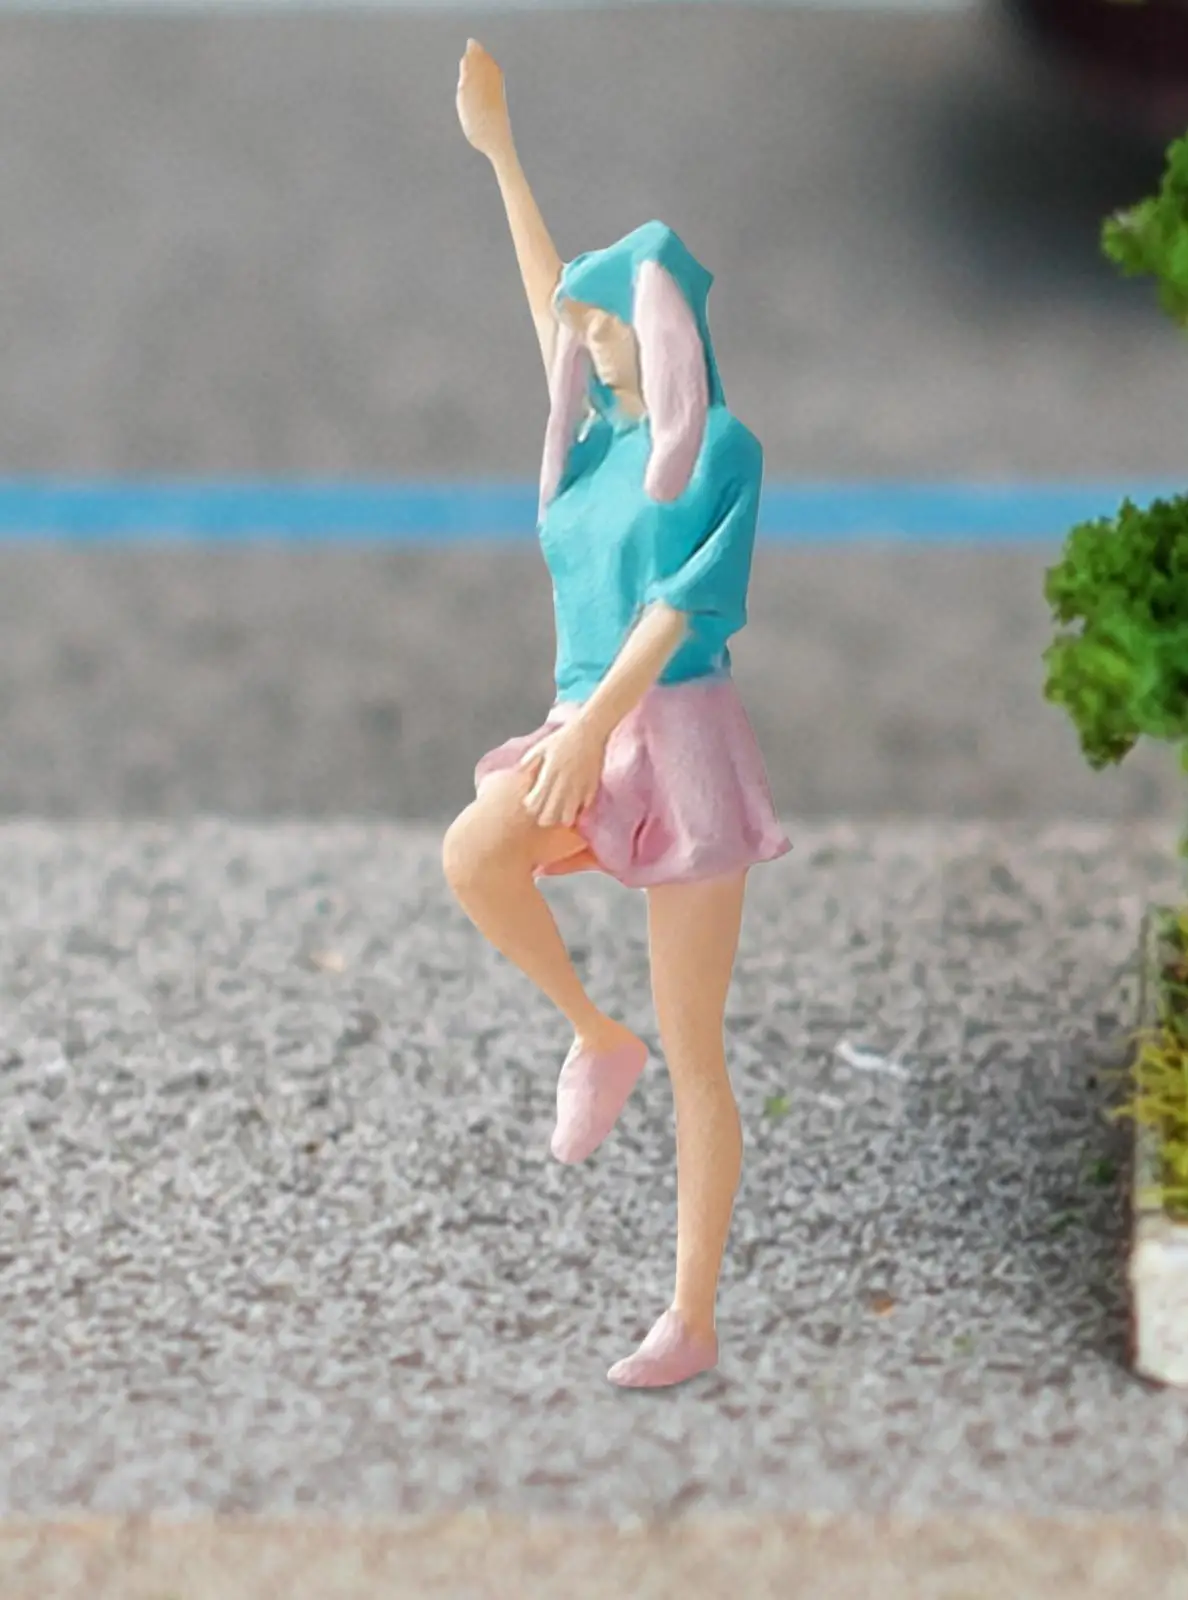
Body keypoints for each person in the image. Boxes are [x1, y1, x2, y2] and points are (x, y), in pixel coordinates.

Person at [442, 40, 791, 1389]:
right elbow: (542, 296)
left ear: (664, 328)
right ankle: (595, 1035)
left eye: (608, 319)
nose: (585, 335)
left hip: (677, 740)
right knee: (477, 852)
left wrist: (597, 727)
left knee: (699, 1045)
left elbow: (685, 607)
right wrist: (500, 152)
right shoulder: (592, 454)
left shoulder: (722, 453)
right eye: (585, 324)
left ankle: (691, 1316)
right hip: (583, 724)